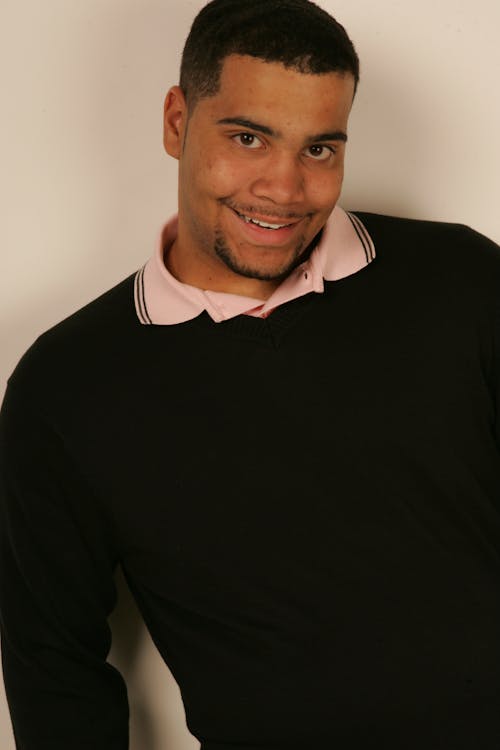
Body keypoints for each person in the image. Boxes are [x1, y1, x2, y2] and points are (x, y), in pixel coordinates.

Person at [1, 0, 500, 748]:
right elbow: (52, 665)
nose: (285, 189)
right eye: (248, 138)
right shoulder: (66, 387)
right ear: (177, 122)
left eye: (320, 150)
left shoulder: (462, 278)